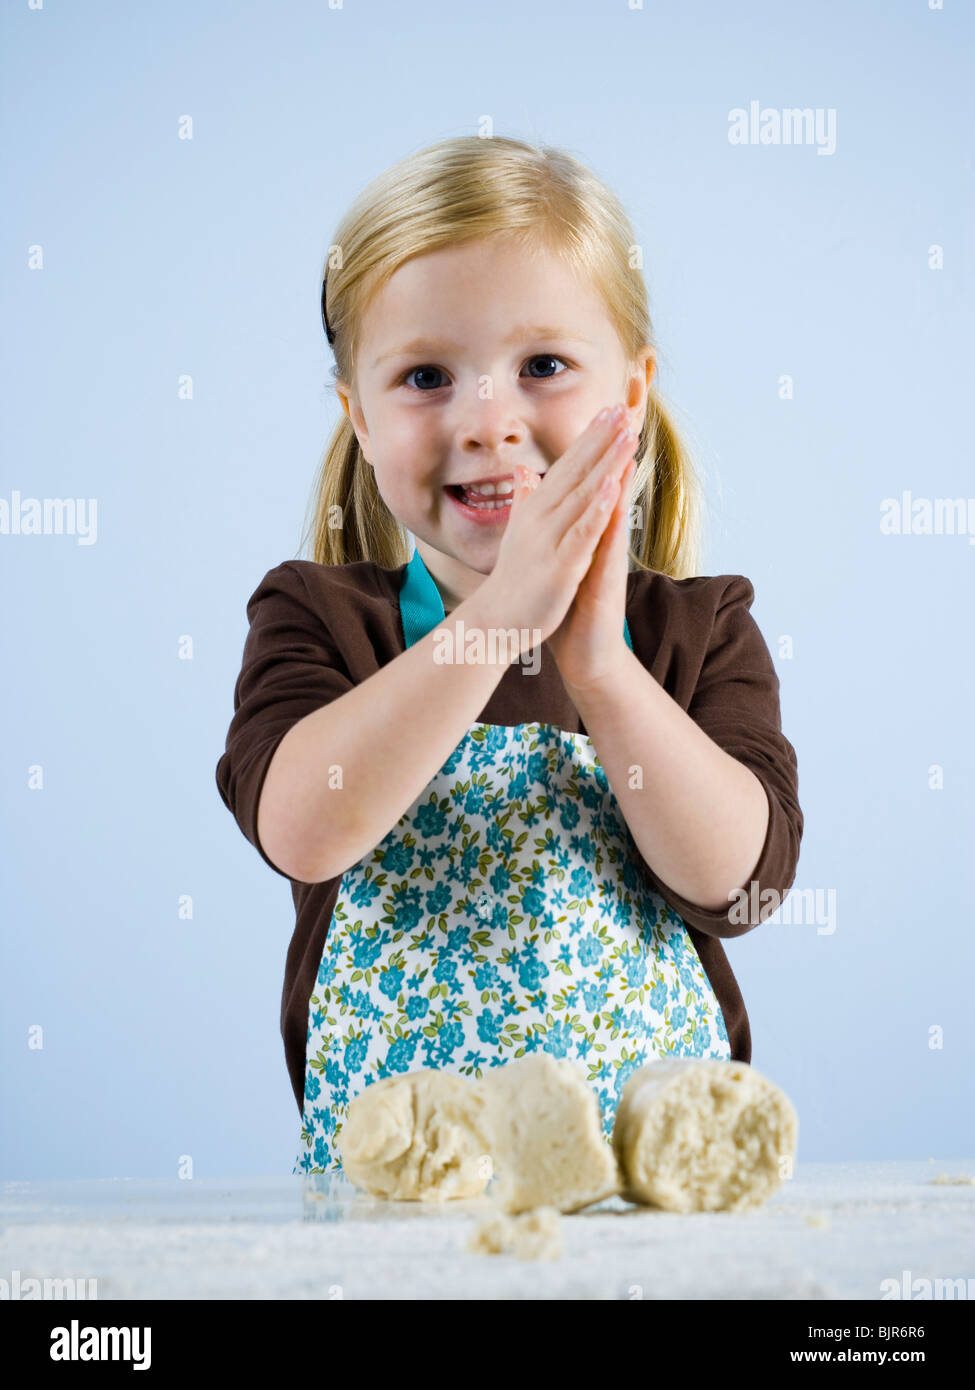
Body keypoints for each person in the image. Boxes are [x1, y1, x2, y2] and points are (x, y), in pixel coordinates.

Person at [215, 136, 803, 1177]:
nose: (489, 422)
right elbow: (306, 830)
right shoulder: (315, 617)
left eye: (543, 366)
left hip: (651, 1193)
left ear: (634, 392)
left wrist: (603, 670)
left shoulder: (698, 630)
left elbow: (736, 884)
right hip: (403, 1192)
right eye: (427, 376)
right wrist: (493, 625)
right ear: (357, 415)